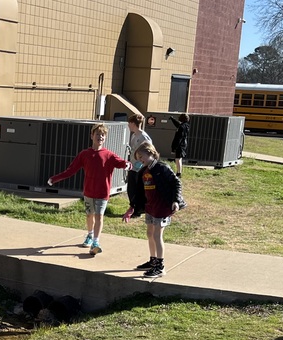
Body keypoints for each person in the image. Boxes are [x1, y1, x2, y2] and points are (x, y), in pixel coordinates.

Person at [47, 123, 130, 255]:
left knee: (99, 216)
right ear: (92, 136)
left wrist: (129, 165)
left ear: (105, 138)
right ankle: (90, 235)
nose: (100, 137)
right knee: (89, 215)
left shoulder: (109, 155)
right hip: (89, 192)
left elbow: (122, 163)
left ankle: (96, 242)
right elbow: (71, 170)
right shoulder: (84, 154)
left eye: (102, 135)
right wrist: (55, 179)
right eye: (97, 134)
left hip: (103, 193)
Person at [123, 141, 182, 278]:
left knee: (157, 235)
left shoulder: (162, 168)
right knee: (150, 233)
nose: (140, 160)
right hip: (151, 207)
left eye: (141, 156)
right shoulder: (143, 171)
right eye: (138, 158)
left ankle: (160, 267)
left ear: (150, 153)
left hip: (162, 207)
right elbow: (139, 193)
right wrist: (132, 208)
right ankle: (153, 260)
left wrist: (176, 201)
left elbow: (176, 183)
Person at [168, 113, 190, 177]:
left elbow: (178, 138)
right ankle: (179, 172)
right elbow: (178, 124)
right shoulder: (185, 126)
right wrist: (172, 119)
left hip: (180, 145)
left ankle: (178, 173)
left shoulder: (181, 127)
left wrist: (174, 147)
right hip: (183, 144)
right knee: (179, 158)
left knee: (178, 159)